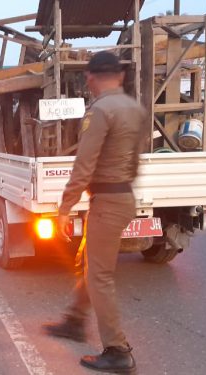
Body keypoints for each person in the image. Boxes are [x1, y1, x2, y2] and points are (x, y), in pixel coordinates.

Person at [43, 51, 148, 373]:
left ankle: (118, 350)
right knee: (89, 264)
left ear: (90, 77)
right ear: (121, 76)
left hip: (107, 201)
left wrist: (64, 207)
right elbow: (134, 159)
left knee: (99, 275)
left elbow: (84, 165)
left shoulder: (100, 110)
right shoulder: (136, 109)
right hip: (123, 196)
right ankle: (74, 320)